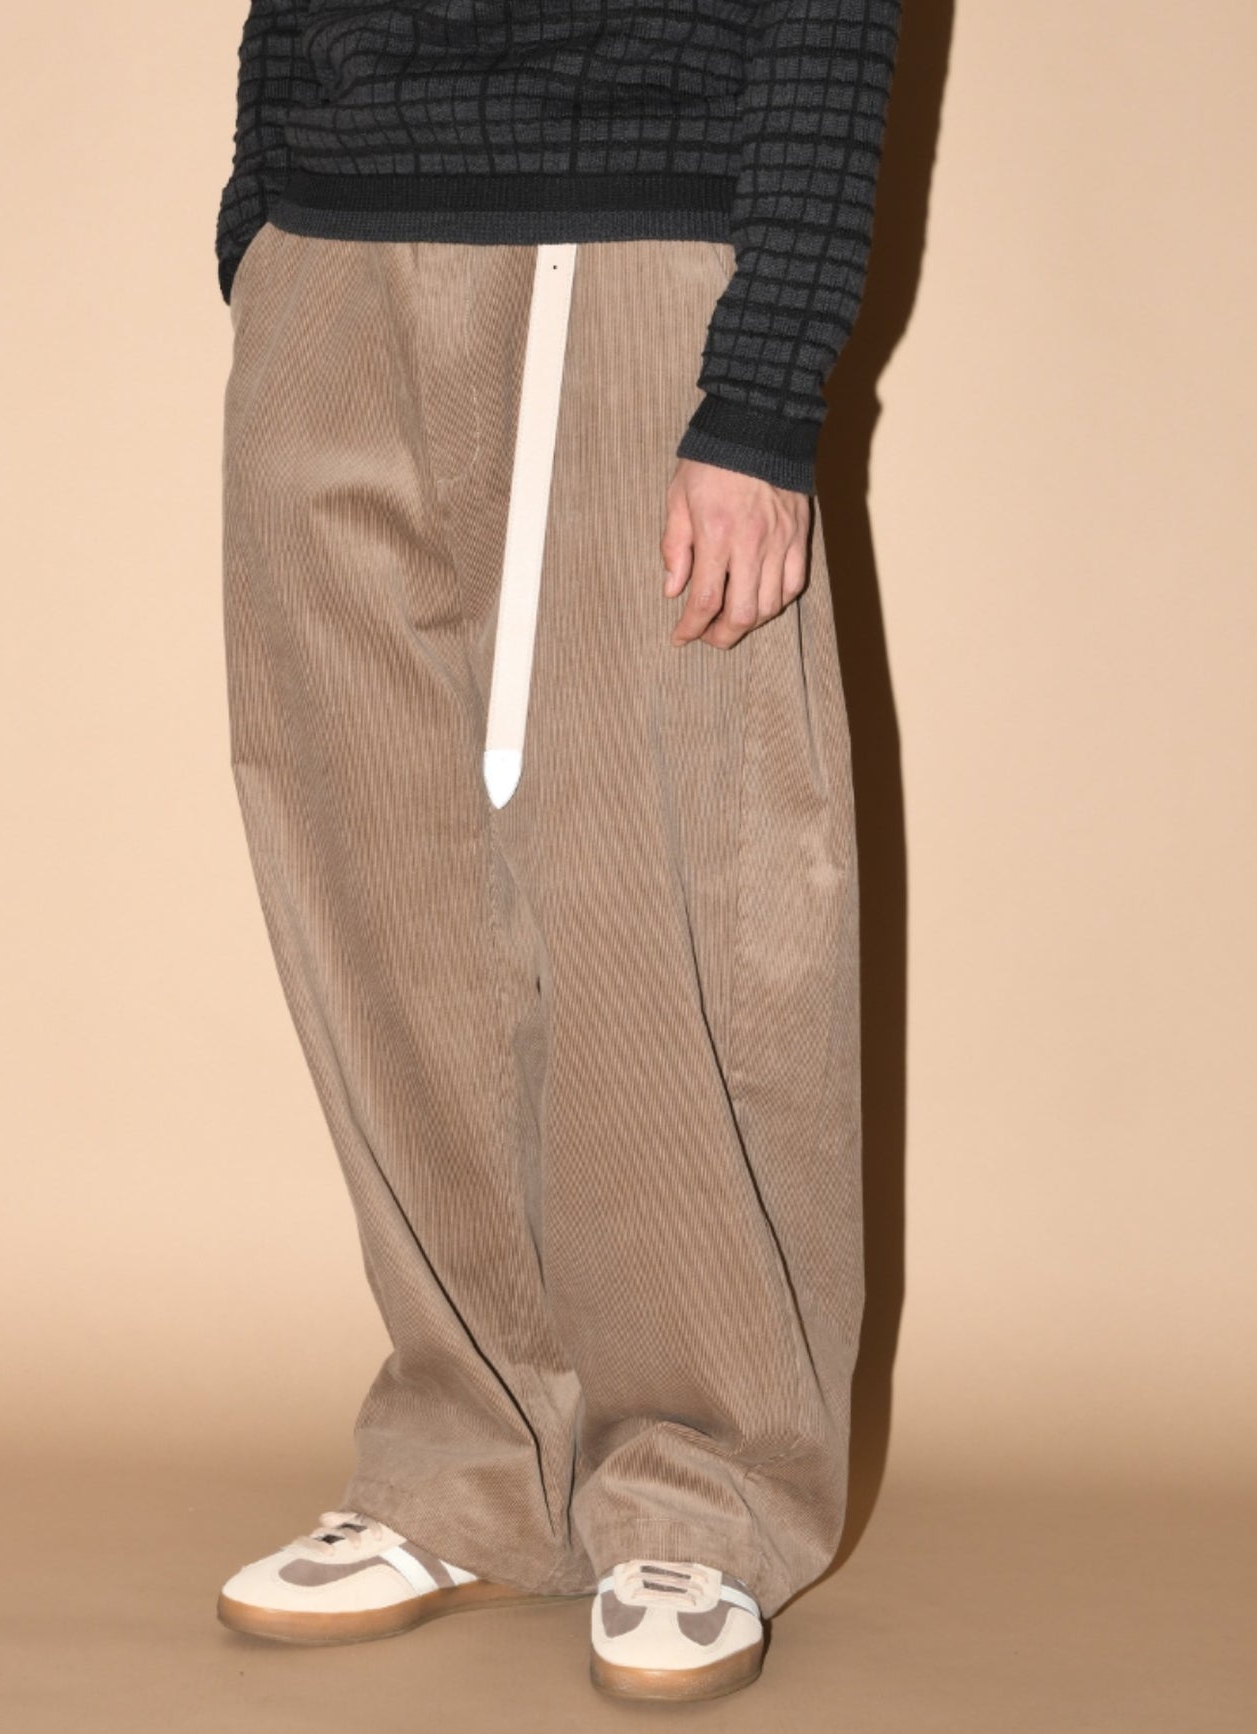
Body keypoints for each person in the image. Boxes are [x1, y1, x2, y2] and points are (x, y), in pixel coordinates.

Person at [211, 0, 900, 1704]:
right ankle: (471, 1463)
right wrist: (260, 213)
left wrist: (761, 384)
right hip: (333, 251)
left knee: (669, 893)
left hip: (629, 229)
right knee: (374, 881)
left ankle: (701, 1490)